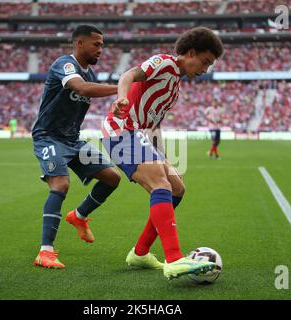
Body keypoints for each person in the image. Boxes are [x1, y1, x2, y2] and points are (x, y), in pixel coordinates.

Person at [102, 27, 224, 279]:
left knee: (177, 187)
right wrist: (122, 99)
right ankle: (174, 258)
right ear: (190, 53)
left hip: (138, 134)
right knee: (160, 183)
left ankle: (140, 252)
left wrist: (165, 158)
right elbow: (128, 75)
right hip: (120, 130)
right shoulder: (164, 63)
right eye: (205, 62)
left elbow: (155, 125)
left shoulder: (176, 87)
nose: (206, 69)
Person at [32, 25, 121, 269]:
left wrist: (117, 105)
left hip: (73, 140)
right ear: (79, 43)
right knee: (60, 184)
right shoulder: (65, 64)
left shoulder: (91, 75)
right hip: (49, 137)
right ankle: (45, 251)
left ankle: (79, 216)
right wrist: (123, 86)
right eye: (97, 44)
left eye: (102, 45)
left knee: (112, 177)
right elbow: (81, 89)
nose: (101, 49)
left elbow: (88, 93)